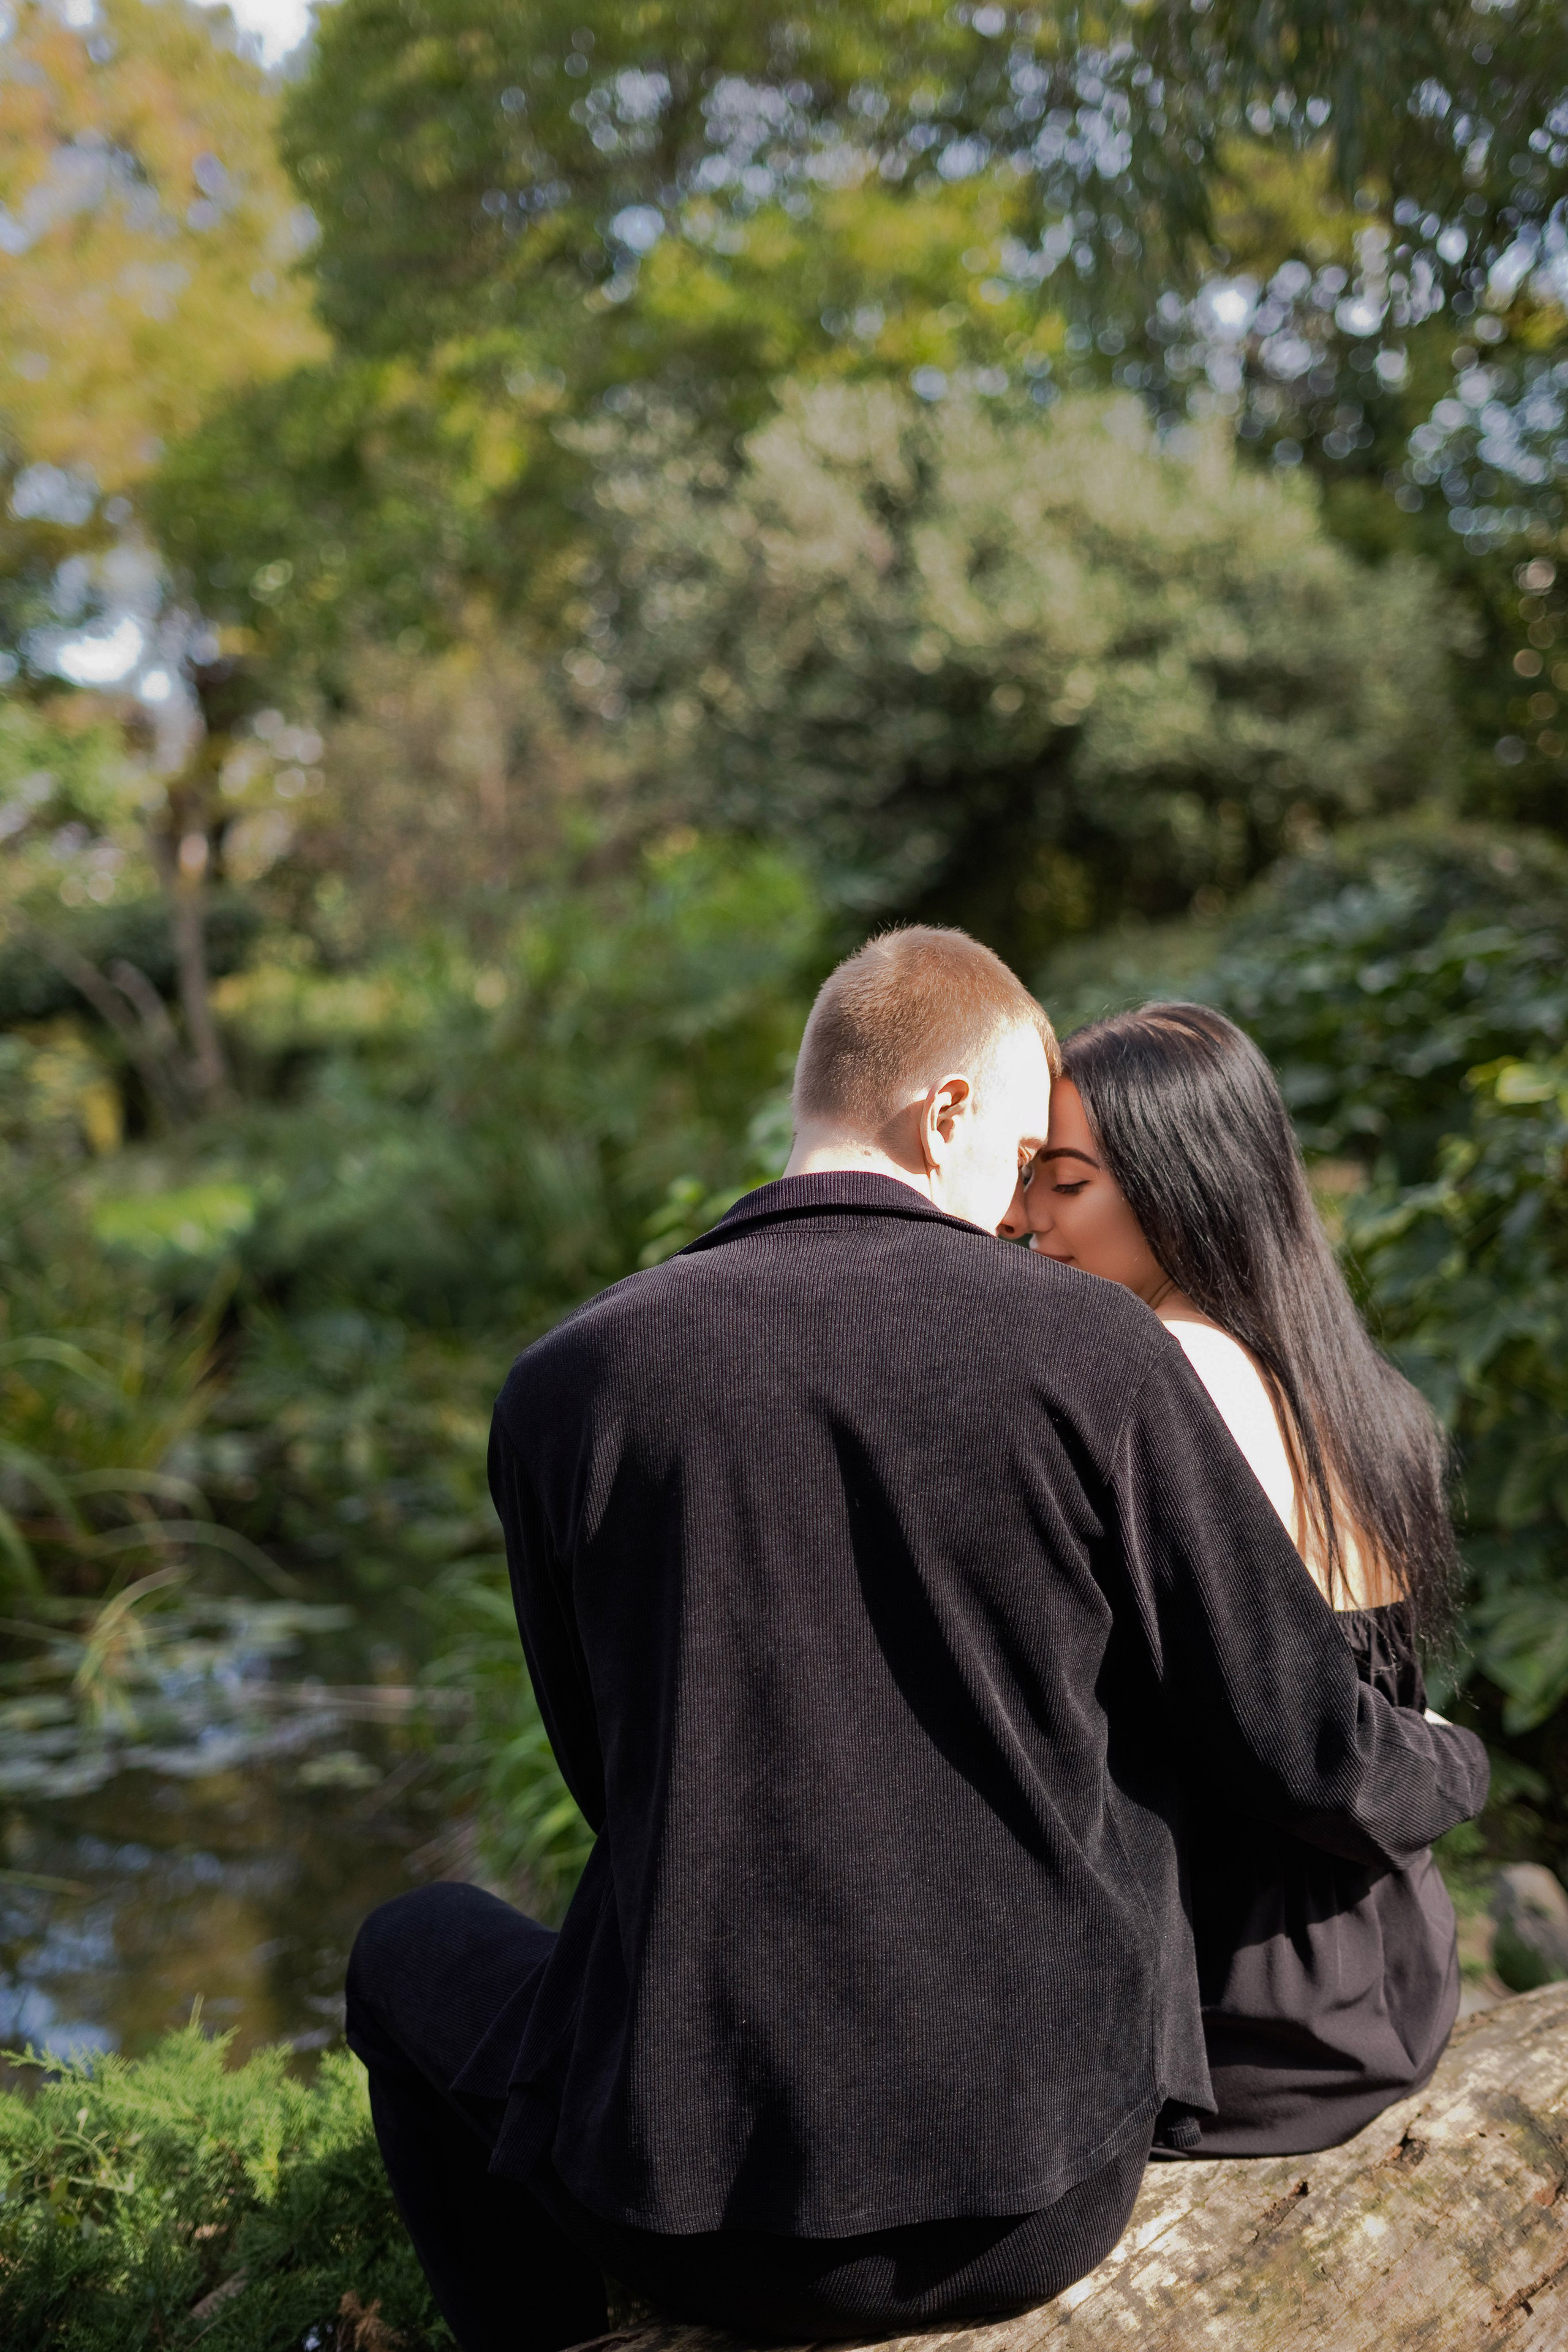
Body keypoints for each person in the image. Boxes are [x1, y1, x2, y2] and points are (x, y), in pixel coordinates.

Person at [347, 927, 1488, 2352]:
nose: (1014, 1212)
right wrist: (1452, 1763)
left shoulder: (569, 1383)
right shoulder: (1096, 1354)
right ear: (946, 1114)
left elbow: (610, 1773)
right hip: (1049, 2190)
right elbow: (1292, 1734)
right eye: (1019, 1159)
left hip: (697, 2219)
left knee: (408, 1945)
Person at [1001, 1000, 1468, 2158]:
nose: (1023, 1222)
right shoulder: (1346, 1382)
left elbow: (1291, 1751)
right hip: (1381, 1982)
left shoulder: (1175, 1365)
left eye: (1065, 1185)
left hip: (1242, 2029)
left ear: (1180, 1185)